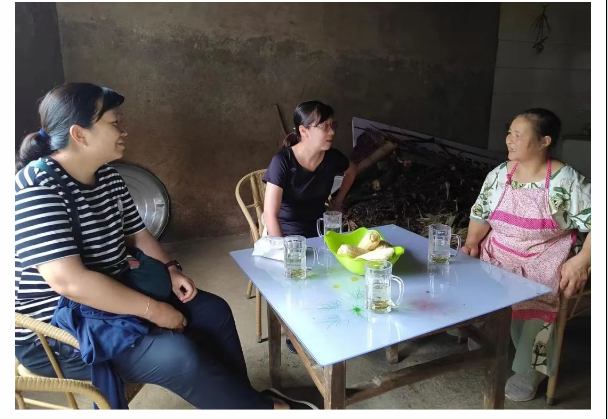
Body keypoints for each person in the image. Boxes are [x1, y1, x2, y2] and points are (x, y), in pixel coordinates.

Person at [14, 82, 317, 410]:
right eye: (115, 123)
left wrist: (171, 270)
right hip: (58, 331)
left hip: (113, 298)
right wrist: (154, 310)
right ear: (79, 134)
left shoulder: (109, 178)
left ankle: (242, 401)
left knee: (213, 311)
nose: (124, 130)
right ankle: (265, 410)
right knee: (179, 356)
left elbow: (139, 235)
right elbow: (70, 282)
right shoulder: (37, 188)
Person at [461, 108, 591, 402]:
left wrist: (582, 260)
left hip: (544, 254)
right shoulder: (500, 174)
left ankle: (534, 367)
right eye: (509, 133)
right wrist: (472, 243)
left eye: (518, 135)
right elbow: (481, 213)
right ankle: (490, 334)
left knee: (537, 296)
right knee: (476, 282)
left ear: (545, 141)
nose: (510, 139)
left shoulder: (565, 181)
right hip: (499, 247)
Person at [263, 100, 357, 238]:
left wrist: (338, 202)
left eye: (332, 125)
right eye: (324, 126)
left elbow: (352, 171)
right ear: (303, 131)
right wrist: (283, 247)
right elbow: (270, 215)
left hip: (320, 232)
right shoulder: (283, 161)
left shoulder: (333, 157)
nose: (332, 132)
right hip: (287, 236)